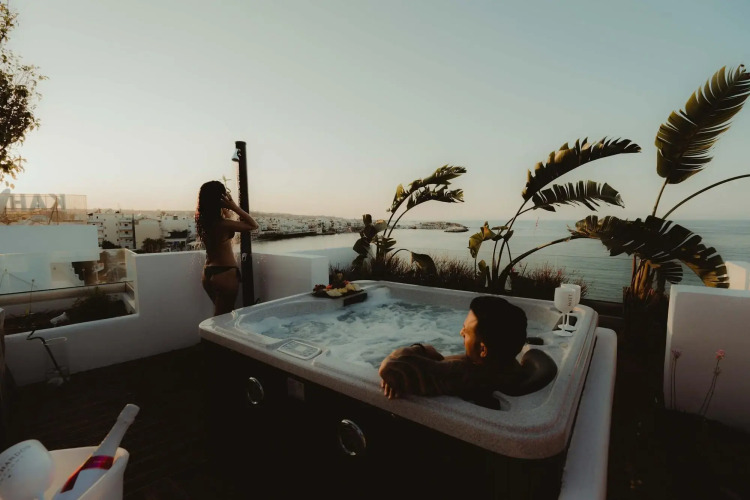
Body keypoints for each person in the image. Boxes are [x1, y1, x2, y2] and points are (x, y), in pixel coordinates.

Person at [378, 295, 527, 401]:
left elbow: (390, 366)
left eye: (466, 331)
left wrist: (422, 349)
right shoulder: (506, 367)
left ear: (483, 350)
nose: (461, 333)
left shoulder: (468, 375)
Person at [195, 180, 259, 316]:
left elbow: (227, 221)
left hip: (208, 272)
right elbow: (253, 225)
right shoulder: (223, 224)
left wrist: (224, 209)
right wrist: (233, 206)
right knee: (222, 318)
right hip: (225, 273)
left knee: (221, 315)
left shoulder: (202, 221)